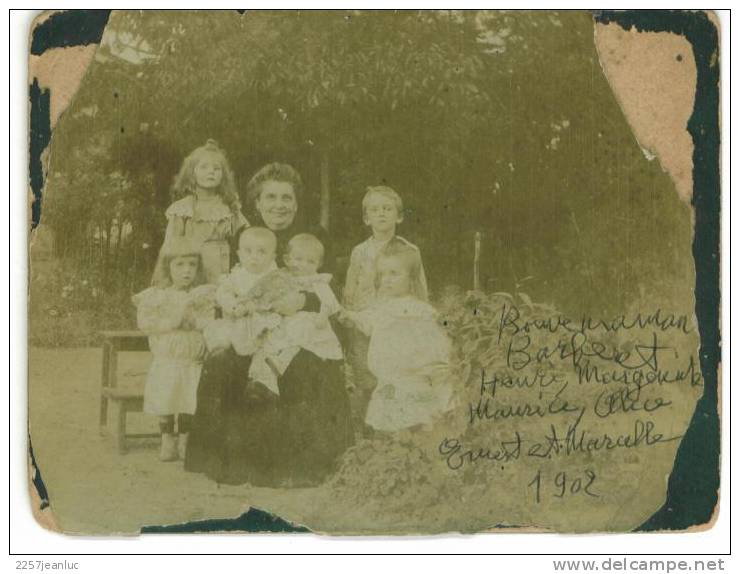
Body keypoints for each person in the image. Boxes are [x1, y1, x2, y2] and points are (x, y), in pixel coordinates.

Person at [342, 239, 452, 433]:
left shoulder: (422, 311)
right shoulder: (380, 307)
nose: (386, 279)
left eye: (394, 274)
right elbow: (367, 321)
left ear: (411, 277)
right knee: (389, 431)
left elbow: (439, 350)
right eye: (382, 274)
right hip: (388, 382)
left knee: (419, 429)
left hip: (414, 382)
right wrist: (350, 317)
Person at [342, 185, 428, 430]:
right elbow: (350, 288)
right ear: (366, 218)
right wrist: (349, 318)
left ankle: (396, 431)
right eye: (375, 209)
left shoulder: (410, 251)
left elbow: (420, 288)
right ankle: (368, 434)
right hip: (363, 323)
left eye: (387, 209)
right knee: (365, 376)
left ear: (398, 216)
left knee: (394, 376)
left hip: (395, 323)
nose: (381, 214)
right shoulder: (359, 251)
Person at [132, 239, 216, 461]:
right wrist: (172, 322)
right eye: (180, 265)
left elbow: (210, 322)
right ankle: (167, 440)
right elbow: (145, 323)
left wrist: (196, 321)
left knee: (189, 400)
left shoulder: (203, 295)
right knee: (166, 399)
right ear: (167, 267)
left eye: (192, 265)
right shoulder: (158, 295)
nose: (186, 270)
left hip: (192, 360)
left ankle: (186, 441)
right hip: (168, 358)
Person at [162, 139, 248, 284]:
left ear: (223, 176)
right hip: (191, 265)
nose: (211, 172)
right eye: (204, 167)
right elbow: (171, 245)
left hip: (222, 265)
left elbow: (245, 237)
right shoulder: (184, 208)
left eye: (216, 168)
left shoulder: (228, 207)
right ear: (191, 174)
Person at [203, 227, 280, 357]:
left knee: (270, 341)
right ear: (239, 254)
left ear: (273, 256)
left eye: (261, 252)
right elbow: (223, 293)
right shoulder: (237, 275)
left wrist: (256, 306)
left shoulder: (273, 277)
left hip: (262, 320)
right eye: (248, 251)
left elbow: (276, 297)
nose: (254, 257)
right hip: (237, 319)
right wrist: (233, 306)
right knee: (221, 334)